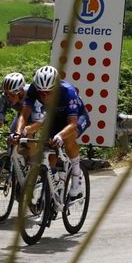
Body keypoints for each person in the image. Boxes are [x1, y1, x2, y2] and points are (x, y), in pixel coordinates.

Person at [24, 65, 87, 200]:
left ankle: (77, 176)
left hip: (76, 118)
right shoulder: (33, 89)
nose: (44, 96)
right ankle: (50, 188)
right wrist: (23, 131)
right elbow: (25, 116)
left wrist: (59, 136)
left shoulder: (68, 92)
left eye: (48, 92)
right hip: (55, 117)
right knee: (48, 146)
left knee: (68, 138)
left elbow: (72, 124)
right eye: (41, 92)